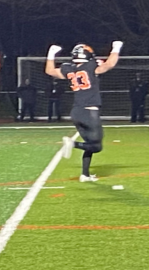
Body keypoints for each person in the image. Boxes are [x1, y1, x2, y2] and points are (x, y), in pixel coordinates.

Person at [45, 41, 123, 182]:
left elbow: (50, 71)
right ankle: (72, 144)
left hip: (76, 111)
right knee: (96, 146)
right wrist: (116, 48)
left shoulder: (68, 68)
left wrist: (51, 54)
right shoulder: (90, 66)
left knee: (89, 143)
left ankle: (85, 174)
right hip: (89, 112)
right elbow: (109, 64)